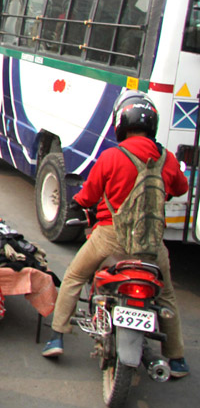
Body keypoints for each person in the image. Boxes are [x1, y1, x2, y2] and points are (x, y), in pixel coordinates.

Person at [42, 93, 189, 378]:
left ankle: (57, 336)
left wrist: (80, 203)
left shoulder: (111, 156)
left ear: (120, 123)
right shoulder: (166, 158)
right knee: (167, 295)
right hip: (151, 245)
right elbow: (181, 187)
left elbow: (88, 196)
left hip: (110, 238)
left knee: (74, 276)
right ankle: (177, 358)